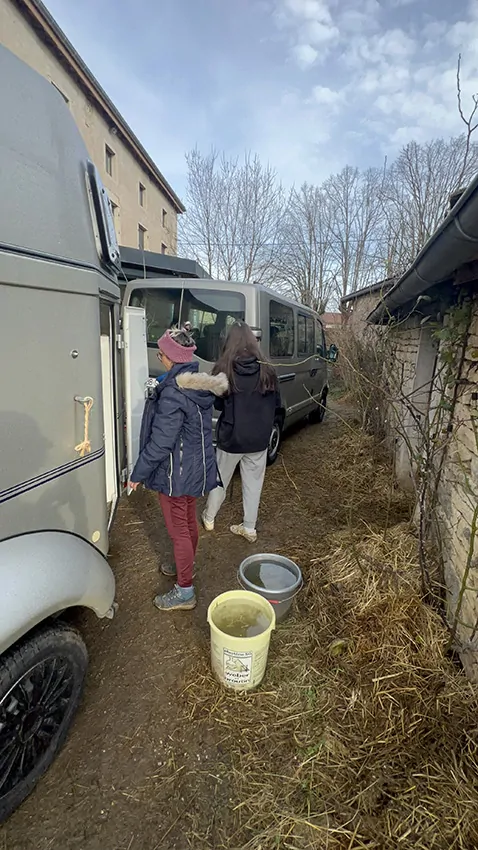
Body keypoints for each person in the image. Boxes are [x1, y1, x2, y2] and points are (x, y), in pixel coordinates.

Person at [129, 328, 228, 611]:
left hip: (176, 472)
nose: (159, 358)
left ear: (171, 358)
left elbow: (161, 442)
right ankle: (185, 564)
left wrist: (138, 473)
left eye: (160, 354)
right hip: (194, 468)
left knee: (179, 530)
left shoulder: (173, 393)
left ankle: (185, 591)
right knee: (187, 520)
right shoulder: (197, 386)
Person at [202, 322, 279, 543]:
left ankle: (209, 518)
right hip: (259, 439)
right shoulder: (268, 369)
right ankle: (249, 527)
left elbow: (218, 404)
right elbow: (276, 403)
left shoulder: (224, 369)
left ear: (229, 341)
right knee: (254, 484)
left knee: (220, 480)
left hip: (231, 437)